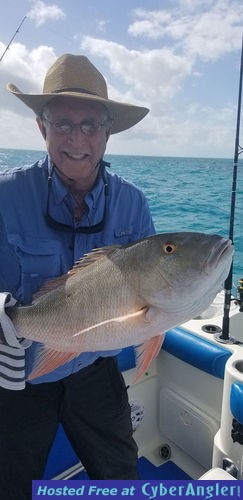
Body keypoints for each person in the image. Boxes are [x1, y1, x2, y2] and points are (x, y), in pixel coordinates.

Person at [0, 54, 155, 499]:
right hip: (20, 372)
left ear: (108, 131)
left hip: (94, 365)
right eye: (63, 124)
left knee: (121, 472)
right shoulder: (5, 194)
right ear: (41, 127)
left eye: (90, 125)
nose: (77, 139)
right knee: (11, 482)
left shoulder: (133, 203)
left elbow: (151, 287)